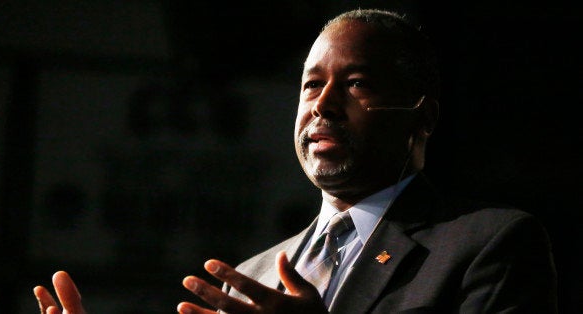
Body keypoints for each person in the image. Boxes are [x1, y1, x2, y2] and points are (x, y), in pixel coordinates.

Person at [33, 8, 559, 314]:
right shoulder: (251, 277)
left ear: (422, 117)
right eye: (312, 84)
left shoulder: (490, 244)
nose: (323, 105)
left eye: (356, 84)